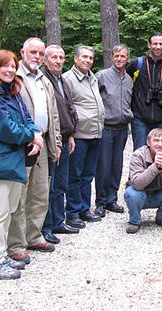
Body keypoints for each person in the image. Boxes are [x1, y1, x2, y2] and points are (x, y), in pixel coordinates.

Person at [0, 49, 43, 279]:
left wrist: (35, 132)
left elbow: (26, 117)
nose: (11, 69)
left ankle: (0, 255)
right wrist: (31, 136)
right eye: (5, 66)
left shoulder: (11, 91)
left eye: (13, 66)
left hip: (12, 160)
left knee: (9, 210)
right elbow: (3, 127)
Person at [8, 37, 61, 263]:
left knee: (39, 193)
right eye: (33, 53)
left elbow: (53, 113)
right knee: (18, 197)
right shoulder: (13, 78)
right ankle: (16, 244)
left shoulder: (44, 80)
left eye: (40, 53)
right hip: (22, 145)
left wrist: (55, 141)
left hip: (43, 141)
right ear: (23, 52)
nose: (37, 57)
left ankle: (34, 235)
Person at [62, 46, 105, 228]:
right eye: (84, 57)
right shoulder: (68, 79)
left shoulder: (92, 77)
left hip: (95, 133)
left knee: (88, 175)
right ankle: (72, 213)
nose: (87, 60)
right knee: (75, 175)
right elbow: (66, 108)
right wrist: (70, 133)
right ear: (76, 58)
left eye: (90, 58)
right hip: (79, 134)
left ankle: (84, 209)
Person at [41, 45, 80, 242]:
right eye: (54, 57)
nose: (58, 61)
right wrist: (53, 141)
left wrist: (71, 134)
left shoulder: (62, 80)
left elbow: (68, 108)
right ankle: (45, 226)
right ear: (45, 59)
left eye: (61, 57)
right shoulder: (43, 80)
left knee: (61, 184)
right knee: (48, 184)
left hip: (65, 139)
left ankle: (58, 221)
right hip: (51, 141)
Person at [94, 45, 133, 218]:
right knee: (103, 165)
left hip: (122, 128)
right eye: (116, 56)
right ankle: (100, 202)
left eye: (122, 56)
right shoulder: (101, 76)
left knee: (117, 165)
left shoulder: (129, 79)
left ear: (127, 58)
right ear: (112, 57)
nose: (119, 59)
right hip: (106, 128)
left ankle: (112, 199)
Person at [124, 128, 162, 233]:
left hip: (160, 194)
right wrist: (155, 167)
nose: (160, 144)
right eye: (156, 140)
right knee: (131, 193)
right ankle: (134, 221)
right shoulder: (138, 155)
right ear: (148, 142)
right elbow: (137, 184)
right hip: (141, 194)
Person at [126, 32, 162, 150]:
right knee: (140, 153)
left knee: (159, 153)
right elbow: (124, 83)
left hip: (161, 119)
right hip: (139, 118)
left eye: (160, 44)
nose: (158, 47)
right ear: (149, 45)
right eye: (155, 43)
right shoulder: (137, 64)